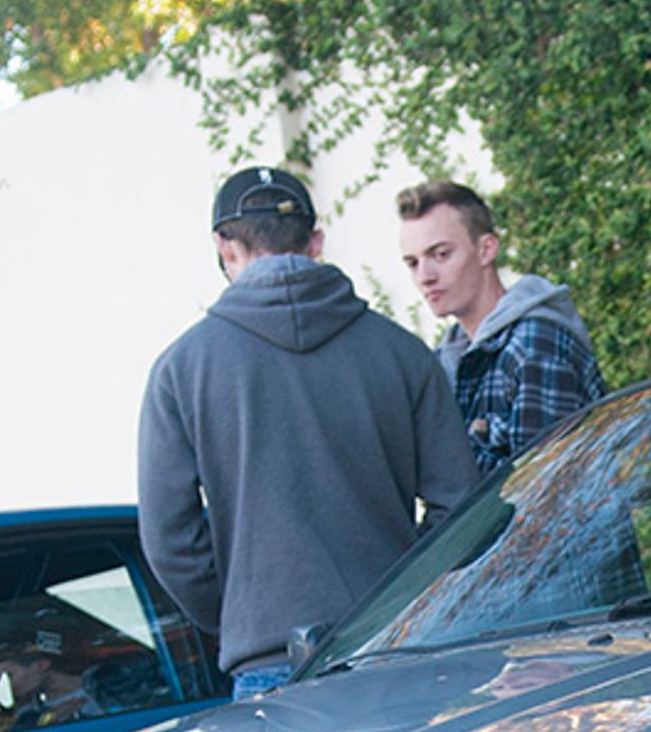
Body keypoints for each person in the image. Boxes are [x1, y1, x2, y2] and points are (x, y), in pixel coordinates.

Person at [139, 166, 478, 696]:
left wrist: (242, 610)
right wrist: (399, 596)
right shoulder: (403, 354)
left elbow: (169, 542)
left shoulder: (181, 370)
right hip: (397, 652)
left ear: (225, 247)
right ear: (317, 243)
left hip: (271, 668)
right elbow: (460, 512)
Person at [396, 179, 606, 477]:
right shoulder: (446, 364)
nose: (425, 276)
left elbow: (546, 494)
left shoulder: (536, 346)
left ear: (486, 249)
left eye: (441, 254)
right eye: (413, 263)